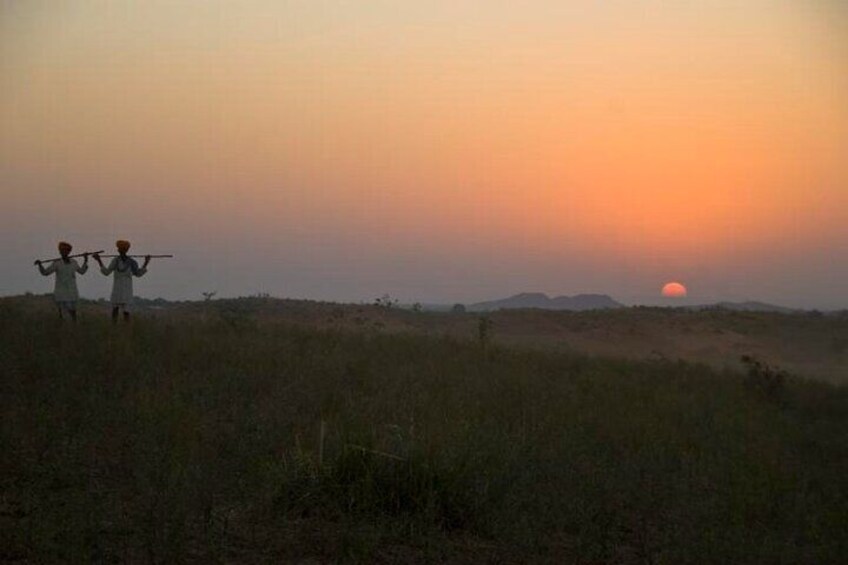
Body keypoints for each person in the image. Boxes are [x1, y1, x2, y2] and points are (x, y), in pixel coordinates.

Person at [93, 240, 150, 323]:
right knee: (115, 311)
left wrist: (146, 262)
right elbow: (106, 272)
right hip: (117, 289)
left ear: (126, 250)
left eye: (123, 249)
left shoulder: (132, 262)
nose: (121, 250)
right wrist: (99, 260)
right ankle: (114, 329)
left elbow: (138, 274)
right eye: (120, 249)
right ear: (118, 250)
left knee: (126, 312)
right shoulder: (115, 261)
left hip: (127, 290)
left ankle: (126, 331)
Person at [34, 241, 89, 321]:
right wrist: (40, 265)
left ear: (69, 251)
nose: (64, 252)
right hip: (61, 292)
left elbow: (82, 271)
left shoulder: (74, 262)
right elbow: (45, 273)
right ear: (60, 252)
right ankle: (63, 328)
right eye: (62, 250)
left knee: (73, 312)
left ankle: (74, 329)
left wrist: (85, 260)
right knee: (62, 314)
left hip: (72, 292)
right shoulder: (57, 263)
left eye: (66, 250)